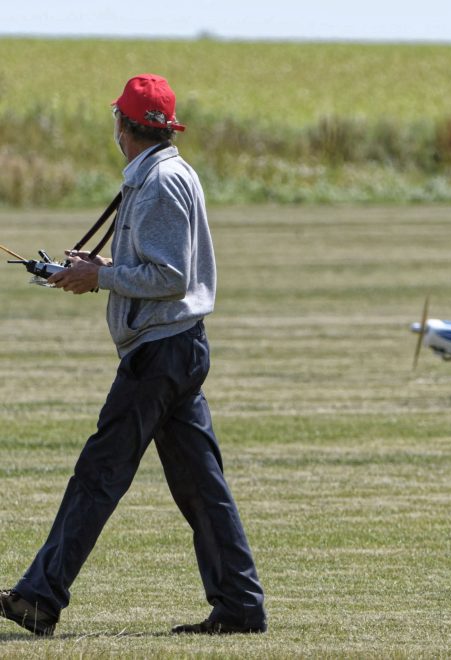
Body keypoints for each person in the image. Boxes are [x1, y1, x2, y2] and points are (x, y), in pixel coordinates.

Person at [0, 74, 267, 637]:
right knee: (201, 486)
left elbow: (169, 276)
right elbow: (152, 263)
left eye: (116, 118)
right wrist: (97, 268)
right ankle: (240, 608)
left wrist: (100, 278)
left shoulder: (162, 182)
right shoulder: (161, 173)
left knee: (98, 474)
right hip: (175, 348)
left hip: (161, 353)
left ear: (124, 125)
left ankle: (39, 598)